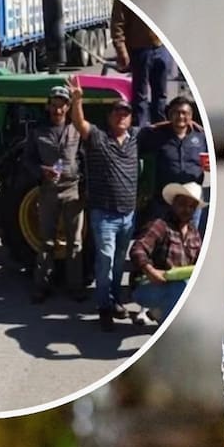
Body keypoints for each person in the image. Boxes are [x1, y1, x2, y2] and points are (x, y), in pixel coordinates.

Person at [67, 76, 139, 331]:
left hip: (128, 215)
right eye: (117, 113)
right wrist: (77, 101)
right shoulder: (98, 138)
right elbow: (79, 123)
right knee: (105, 261)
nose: (121, 116)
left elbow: (163, 128)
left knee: (120, 261)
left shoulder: (135, 139)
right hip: (104, 215)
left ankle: (116, 300)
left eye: (126, 113)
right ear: (110, 117)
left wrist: (193, 124)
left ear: (131, 118)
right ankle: (104, 308)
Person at [25, 85, 85, 302]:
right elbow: (27, 159)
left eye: (62, 106)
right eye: (54, 105)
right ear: (48, 106)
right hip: (48, 191)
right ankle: (41, 285)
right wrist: (42, 171)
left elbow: (84, 156)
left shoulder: (76, 129)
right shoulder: (37, 132)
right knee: (46, 241)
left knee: (75, 242)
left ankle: (75, 286)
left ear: (68, 107)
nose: (57, 110)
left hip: (73, 190)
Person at [129, 181, 205, 323]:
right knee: (180, 289)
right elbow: (137, 249)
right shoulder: (160, 225)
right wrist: (150, 271)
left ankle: (162, 313)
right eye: (182, 204)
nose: (186, 209)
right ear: (173, 204)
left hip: (178, 282)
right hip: (147, 285)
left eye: (191, 207)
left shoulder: (194, 234)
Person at [140, 96, 209, 231]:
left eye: (185, 113)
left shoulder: (201, 138)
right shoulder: (157, 136)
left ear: (191, 116)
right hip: (164, 202)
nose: (180, 116)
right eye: (176, 112)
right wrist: (161, 125)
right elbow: (140, 134)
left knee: (189, 243)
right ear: (169, 115)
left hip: (191, 202)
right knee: (160, 240)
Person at [111, 0, 170, 127]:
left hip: (162, 47)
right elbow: (117, 22)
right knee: (140, 96)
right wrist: (121, 50)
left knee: (161, 95)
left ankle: (161, 129)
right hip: (140, 49)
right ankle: (141, 131)